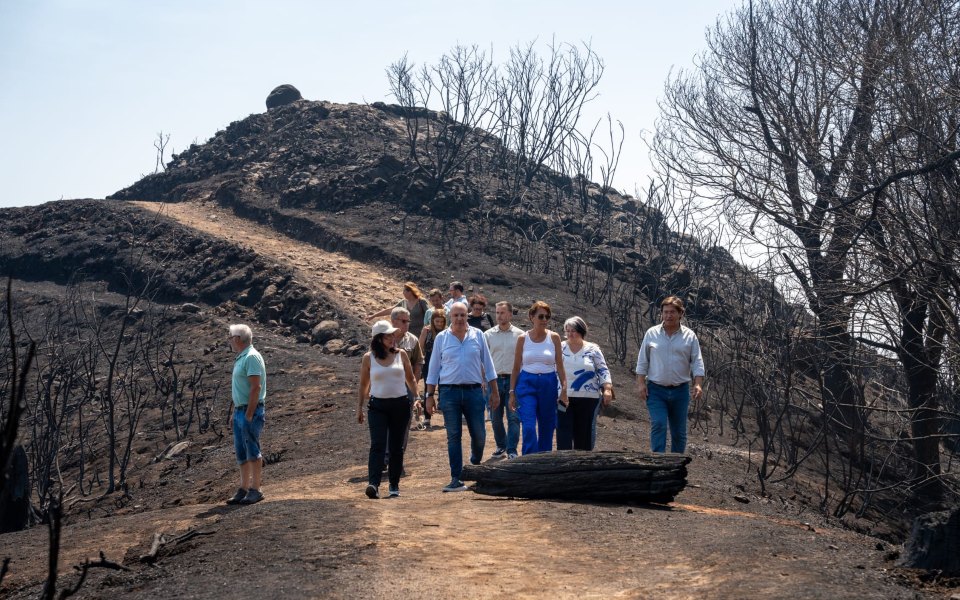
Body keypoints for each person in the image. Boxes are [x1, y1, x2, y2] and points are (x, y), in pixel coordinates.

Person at [425, 303, 500, 492]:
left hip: (474, 392)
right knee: (454, 435)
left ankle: (474, 463)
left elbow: (489, 366)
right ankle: (456, 478)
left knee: (479, 435)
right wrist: (429, 395)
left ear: (467, 316)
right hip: (449, 393)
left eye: (463, 315)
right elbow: (433, 370)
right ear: (450, 316)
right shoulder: (441, 338)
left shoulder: (478, 335)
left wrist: (495, 392)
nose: (459, 318)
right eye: (456, 315)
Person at [357, 320, 421, 499]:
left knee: (396, 447)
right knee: (377, 445)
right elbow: (363, 384)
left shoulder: (401, 355)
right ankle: (373, 484)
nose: (393, 338)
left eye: (394, 335)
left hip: (400, 405)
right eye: (389, 335)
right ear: (378, 338)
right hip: (377, 406)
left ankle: (394, 484)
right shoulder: (368, 358)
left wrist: (416, 398)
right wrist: (359, 408)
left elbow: (411, 379)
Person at [635, 296, 706, 454]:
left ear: (681, 313)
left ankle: (676, 466)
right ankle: (658, 463)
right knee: (659, 424)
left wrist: (698, 384)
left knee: (678, 432)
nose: (668, 315)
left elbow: (697, 362)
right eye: (665, 312)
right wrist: (640, 384)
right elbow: (642, 361)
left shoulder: (689, 336)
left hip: (680, 390)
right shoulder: (651, 334)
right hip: (656, 390)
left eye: (672, 312)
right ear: (661, 313)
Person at [509, 301, 567, 455]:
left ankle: (544, 461)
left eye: (547, 317)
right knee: (528, 426)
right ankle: (528, 460)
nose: (544, 320)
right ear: (531, 317)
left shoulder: (554, 338)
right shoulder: (523, 338)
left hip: (548, 383)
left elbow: (560, 366)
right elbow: (515, 367)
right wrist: (512, 392)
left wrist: (564, 390)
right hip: (527, 383)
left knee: (547, 425)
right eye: (540, 316)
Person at [556, 316, 613, 451]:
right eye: (567, 331)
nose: (570, 334)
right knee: (563, 431)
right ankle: (563, 465)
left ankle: (582, 466)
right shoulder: (559, 347)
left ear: (581, 331)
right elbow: (553, 369)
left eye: (574, 330)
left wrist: (607, 389)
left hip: (588, 398)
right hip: (564, 397)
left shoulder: (593, 349)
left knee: (583, 434)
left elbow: (603, 369)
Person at [226, 324, 267, 505]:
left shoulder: (251, 357)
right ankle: (243, 488)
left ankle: (256, 489)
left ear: (237, 338)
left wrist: (249, 413)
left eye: (230, 337)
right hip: (240, 410)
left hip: (249, 410)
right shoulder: (242, 357)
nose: (229, 340)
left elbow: (255, 387)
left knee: (252, 449)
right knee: (241, 451)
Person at [483, 301, 523, 459]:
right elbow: (483, 359)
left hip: (515, 380)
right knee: (495, 417)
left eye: (502, 312)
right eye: (497, 312)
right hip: (494, 381)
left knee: (514, 417)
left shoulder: (520, 335)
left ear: (510, 314)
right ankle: (501, 446)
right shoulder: (488, 335)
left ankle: (512, 450)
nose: (499, 316)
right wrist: (483, 379)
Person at [418, 308, 446, 428]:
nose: (439, 324)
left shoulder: (447, 332)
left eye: (441, 321)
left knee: (444, 389)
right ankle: (427, 418)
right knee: (428, 390)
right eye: (437, 321)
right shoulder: (427, 330)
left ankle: (446, 417)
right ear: (432, 321)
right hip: (429, 363)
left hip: (444, 363)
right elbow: (420, 346)